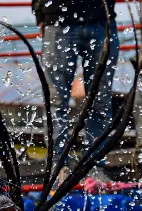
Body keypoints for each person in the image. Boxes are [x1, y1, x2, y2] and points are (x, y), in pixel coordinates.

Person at [33, 0, 119, 175]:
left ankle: (95, 166)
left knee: (100, 101)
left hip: (101, 19)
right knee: (56, 101)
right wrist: (40, 13)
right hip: (58, 20)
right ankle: (58, 168)